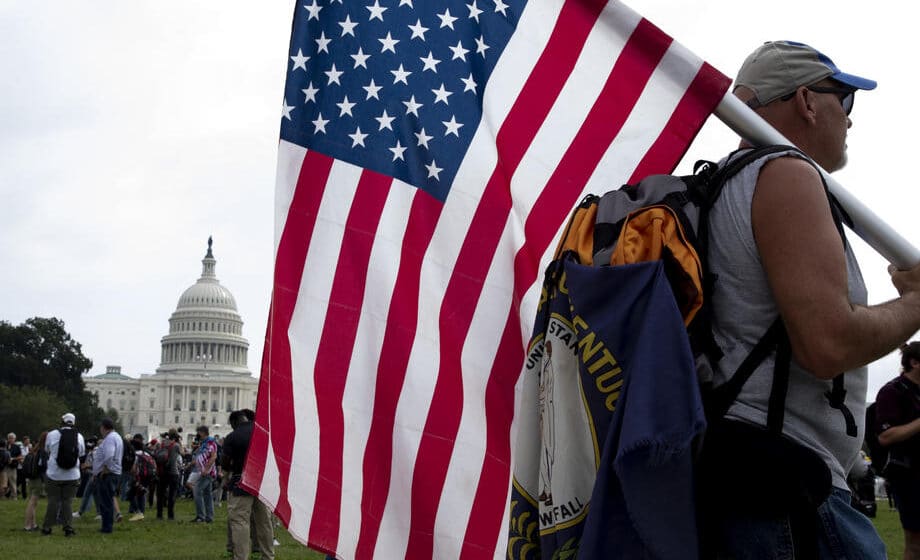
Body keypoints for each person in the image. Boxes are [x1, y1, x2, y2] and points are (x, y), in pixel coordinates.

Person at [701, 40, 920, 558]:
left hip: (741, 474)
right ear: (805, 100)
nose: (849, 120)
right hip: (786, 484)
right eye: (843, 103)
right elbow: (827, 343)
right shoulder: (786, 172)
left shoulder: (726, 183)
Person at [875, 342, 920, 559]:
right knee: (916, 541)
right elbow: (885, 436)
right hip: (909, 475)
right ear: (914, 362)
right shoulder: (892, 392)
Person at [223, 409, 274, 560]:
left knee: (240, 521)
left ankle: (241, 557)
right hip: (261, 482)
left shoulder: (232, 437)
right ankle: (268, 555)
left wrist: (226, 477)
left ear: (234, 423)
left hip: (241, 482)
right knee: (264, 522)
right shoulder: (263, 432)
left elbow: (225, 462)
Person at [42, 412, 85, 537]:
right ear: (73, 423)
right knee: (68, 502)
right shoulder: (79, 436)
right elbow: (81, 453)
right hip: (72, 475)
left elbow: (47, 449)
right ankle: (68, 528)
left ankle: (47, 527)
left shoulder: (52, 434)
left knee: (53, 501)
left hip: (54, 474)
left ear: (62, 421)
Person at [92, 417, 123, 534]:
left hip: (108, 474)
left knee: (105, 502)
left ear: (103, 428)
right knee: (108, 500)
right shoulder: (117, 437)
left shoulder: (110, 439)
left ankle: (107, 527)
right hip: (114, 472)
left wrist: (105, 469)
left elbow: (109, 455)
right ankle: (107, 525)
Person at [23, 430, 48, 531]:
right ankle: (28, 525)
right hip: (38, 479)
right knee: (33, 503)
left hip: (31, 478)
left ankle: (33, 524)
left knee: (32, 502)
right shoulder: (43, 451)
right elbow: (44, 465)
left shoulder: (34, 449)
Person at [192, 425, 218, 523]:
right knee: (207, 494)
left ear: (203, 433)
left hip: (207, 472)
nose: (197, 435)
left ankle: (200, 516)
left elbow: (213, 457)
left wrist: (206, 469)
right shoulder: (203, 443)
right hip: (203, 472)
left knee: (197, 490)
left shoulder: (210, 443)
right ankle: (209, 517)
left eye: (198, 432)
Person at [154, 430, 182, 520]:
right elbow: (183, 453)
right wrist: (179, 441)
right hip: (173, 472)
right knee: (172, 494)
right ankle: (170, 515)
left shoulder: (162, 443)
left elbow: (156, 454)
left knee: (160, 494)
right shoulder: (176, 445)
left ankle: (159, 514)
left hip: (162, 471)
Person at [4, 432, 21, 499]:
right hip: (4, 467)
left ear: (15, 439)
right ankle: (3, 496)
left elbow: (20, 457)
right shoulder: (5, 446)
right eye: (9, 438)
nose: (10, 439)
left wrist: (13, 458)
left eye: (12, 438)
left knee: (13, 482)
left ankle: (14, 496)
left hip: (12, 467)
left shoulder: (17, 447)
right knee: (4, 483)